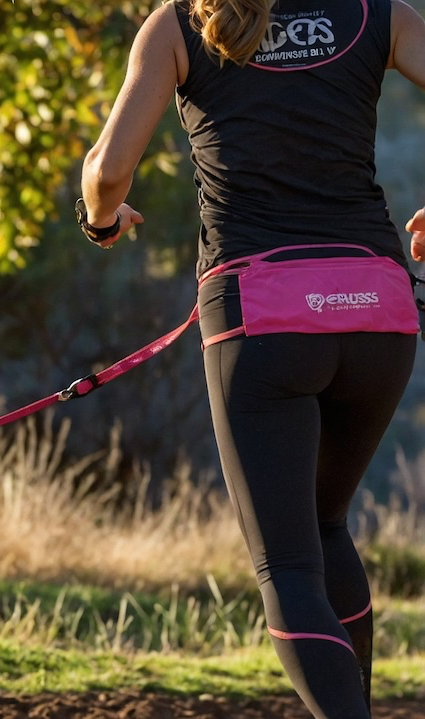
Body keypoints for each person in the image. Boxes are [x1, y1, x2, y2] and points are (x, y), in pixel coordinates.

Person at [76, 1, 425, 717]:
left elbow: (109, 171)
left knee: (289, 565)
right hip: (379, 309)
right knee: (325, 527)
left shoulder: (180, 24)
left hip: (262, 317)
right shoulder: (375, 12)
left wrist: (101, 218)